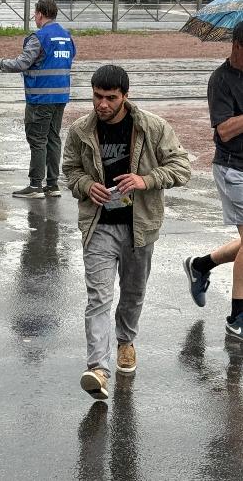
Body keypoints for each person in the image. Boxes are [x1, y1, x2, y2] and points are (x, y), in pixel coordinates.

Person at [62, 65, 191, 400]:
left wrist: (144, 180)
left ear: (124, 97)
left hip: (140, 227)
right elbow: (70, 169)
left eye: (110, 98)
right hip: (98, 226)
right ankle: (98, 369)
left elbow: (182, 167)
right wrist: (87, 185)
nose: (102, 104)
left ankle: (126, 341)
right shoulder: (80, 130)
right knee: (99, 298)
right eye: (97, 96)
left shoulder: (152, 127)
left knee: (132, 294)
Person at [0, 0, 75, 198]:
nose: (35, 18)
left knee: (37, 140)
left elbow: (21, 63)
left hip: (40, 98)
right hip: (61, 97)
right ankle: (52, 184)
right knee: (53, 139)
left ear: (39, 14)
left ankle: (35, 185)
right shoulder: (66, 36)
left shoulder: (39, 37)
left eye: (35, 14)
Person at [183, 22, 243, 342]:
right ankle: (238, 317)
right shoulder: (220, 80)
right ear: (237, 46)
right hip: (233, 169)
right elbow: (224, 131)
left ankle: (202, 265)